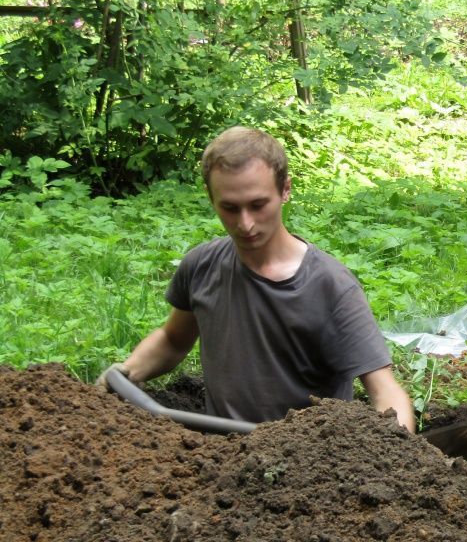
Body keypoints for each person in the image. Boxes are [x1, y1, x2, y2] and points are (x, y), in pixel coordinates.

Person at [103, 126, 414, 432]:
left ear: (285, 190)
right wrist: (126, 372)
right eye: (230, 208)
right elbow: (173, 340)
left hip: (306, 466)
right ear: (211, 198)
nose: (245, 224)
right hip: (217, 457)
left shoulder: (330, 287)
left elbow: (384, 390)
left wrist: (400, 451)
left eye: (257, 205)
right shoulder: (202, 265)